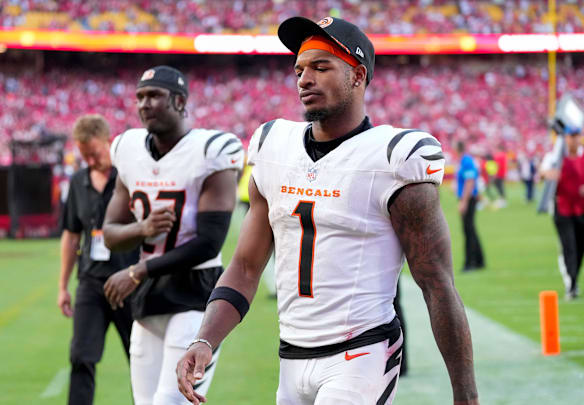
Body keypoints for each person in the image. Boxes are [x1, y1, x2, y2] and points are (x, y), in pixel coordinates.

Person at [176, 16, 479, 405]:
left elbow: (437, 284)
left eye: (322, 67)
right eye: (299, 69)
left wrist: (466, 395)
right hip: (290, 356)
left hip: (361, 354)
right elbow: (247, 266)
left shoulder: (394, 157)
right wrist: (205, 339)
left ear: (358, 76)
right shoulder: (274, 146)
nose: (305, 79)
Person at [102, 66, 243, 405]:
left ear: (180, 101)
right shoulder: (127, 147)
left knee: (171, 402)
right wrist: (143, 229)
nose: (144, 104)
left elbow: (209, 242)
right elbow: (109, 233)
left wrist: (138, 270)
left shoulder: (212, 150)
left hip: (195, 291)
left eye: (154, 96)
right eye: (139, 97)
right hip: (150, 297)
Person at [58, 115, 139, 405]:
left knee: (140, 360)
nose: (91, 161)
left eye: (95, 153)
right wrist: (62, 286)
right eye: (85, 156)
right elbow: (71, 236)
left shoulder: (131, 176)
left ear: (109, 141)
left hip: (129, 281)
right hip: (91, 283)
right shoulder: (78, 182)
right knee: (81, 357)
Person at [540, 127, 584, 300]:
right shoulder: (555, 157)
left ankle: (574, 277)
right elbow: (542, 172)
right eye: (570, 136)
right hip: (562, 209)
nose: (574, 140)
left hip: (581, 208)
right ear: (564, 138)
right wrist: (548, 174)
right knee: (569, 246)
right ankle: (571, 283)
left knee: (580, 246)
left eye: (576, 136)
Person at [457, 141, 485, 271]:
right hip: (470, 197)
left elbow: (470, 181)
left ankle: (470, 263)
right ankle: (479, 260)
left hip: (468, 198)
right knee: (471, 229)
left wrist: (464, 201)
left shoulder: (466, 161)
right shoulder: (466, 160)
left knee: (468, 230)